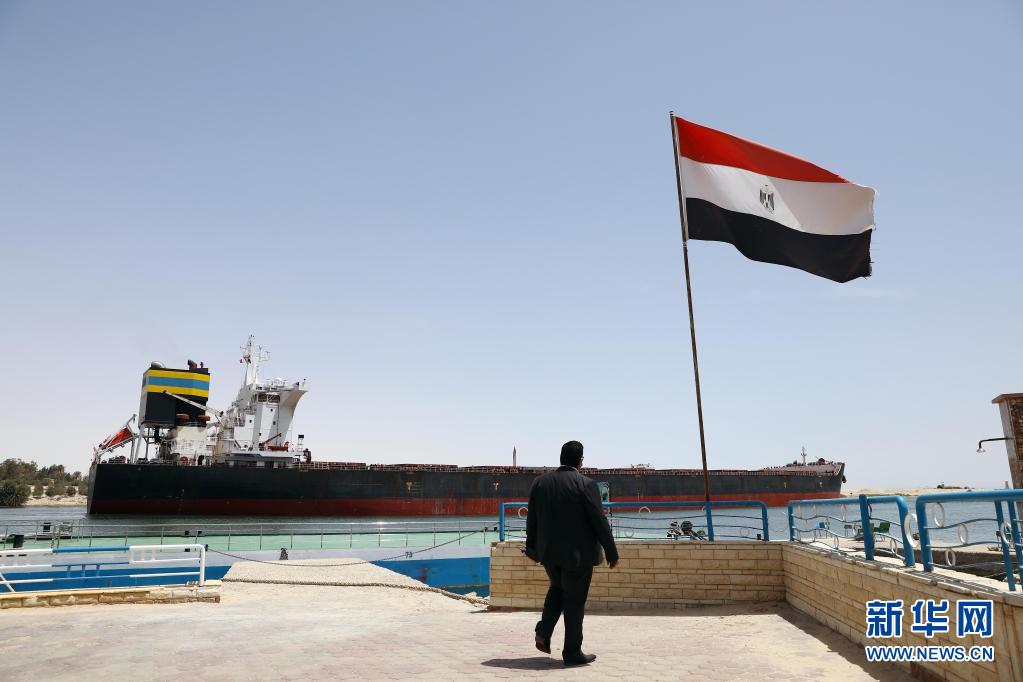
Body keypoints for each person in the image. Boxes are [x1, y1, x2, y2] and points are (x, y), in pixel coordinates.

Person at [524, 440, 619, 667]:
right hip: (578, 556)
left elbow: (532, 519)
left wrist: (532, 548)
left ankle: (543, 632)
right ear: (580, 460)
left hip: (548, 553)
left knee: (557, 589)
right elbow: (599, 520)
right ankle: (572, 652)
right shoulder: (586, 484)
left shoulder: (540, 483)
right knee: (574, 601)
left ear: (561, 457)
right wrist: (611, 551)